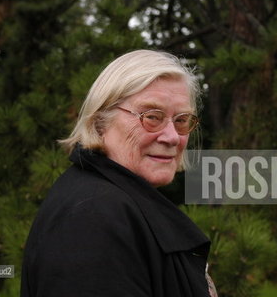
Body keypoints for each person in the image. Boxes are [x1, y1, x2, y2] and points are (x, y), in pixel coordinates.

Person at [21, 49, 217, 297]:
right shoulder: (94, 216)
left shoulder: (116, 202)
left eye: (181, 120)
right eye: (152, 117)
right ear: (101, 121)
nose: (171, 137)